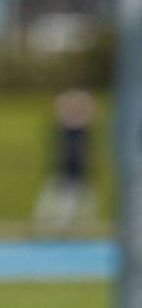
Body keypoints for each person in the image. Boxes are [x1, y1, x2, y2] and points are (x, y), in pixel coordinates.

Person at [33, 87, 96, 235]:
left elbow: (90, 112)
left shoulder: (82, 127)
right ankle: (47, 227)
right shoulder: (64, 127)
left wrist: (81, 100)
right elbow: (58, 111)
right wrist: (68, 100)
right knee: (54, 197)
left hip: (80, 169)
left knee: (83, 200)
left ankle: (79, 228)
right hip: (62, 168)